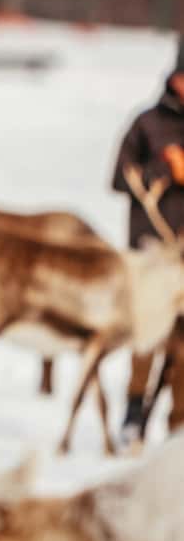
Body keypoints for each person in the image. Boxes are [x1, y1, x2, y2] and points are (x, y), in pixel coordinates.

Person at [113, 34, 184, 448]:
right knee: (147, 334)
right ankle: (133, 413)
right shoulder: (147, 124)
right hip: (151, 252)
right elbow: (118, 177)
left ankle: (177, 423)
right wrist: (162, 169)